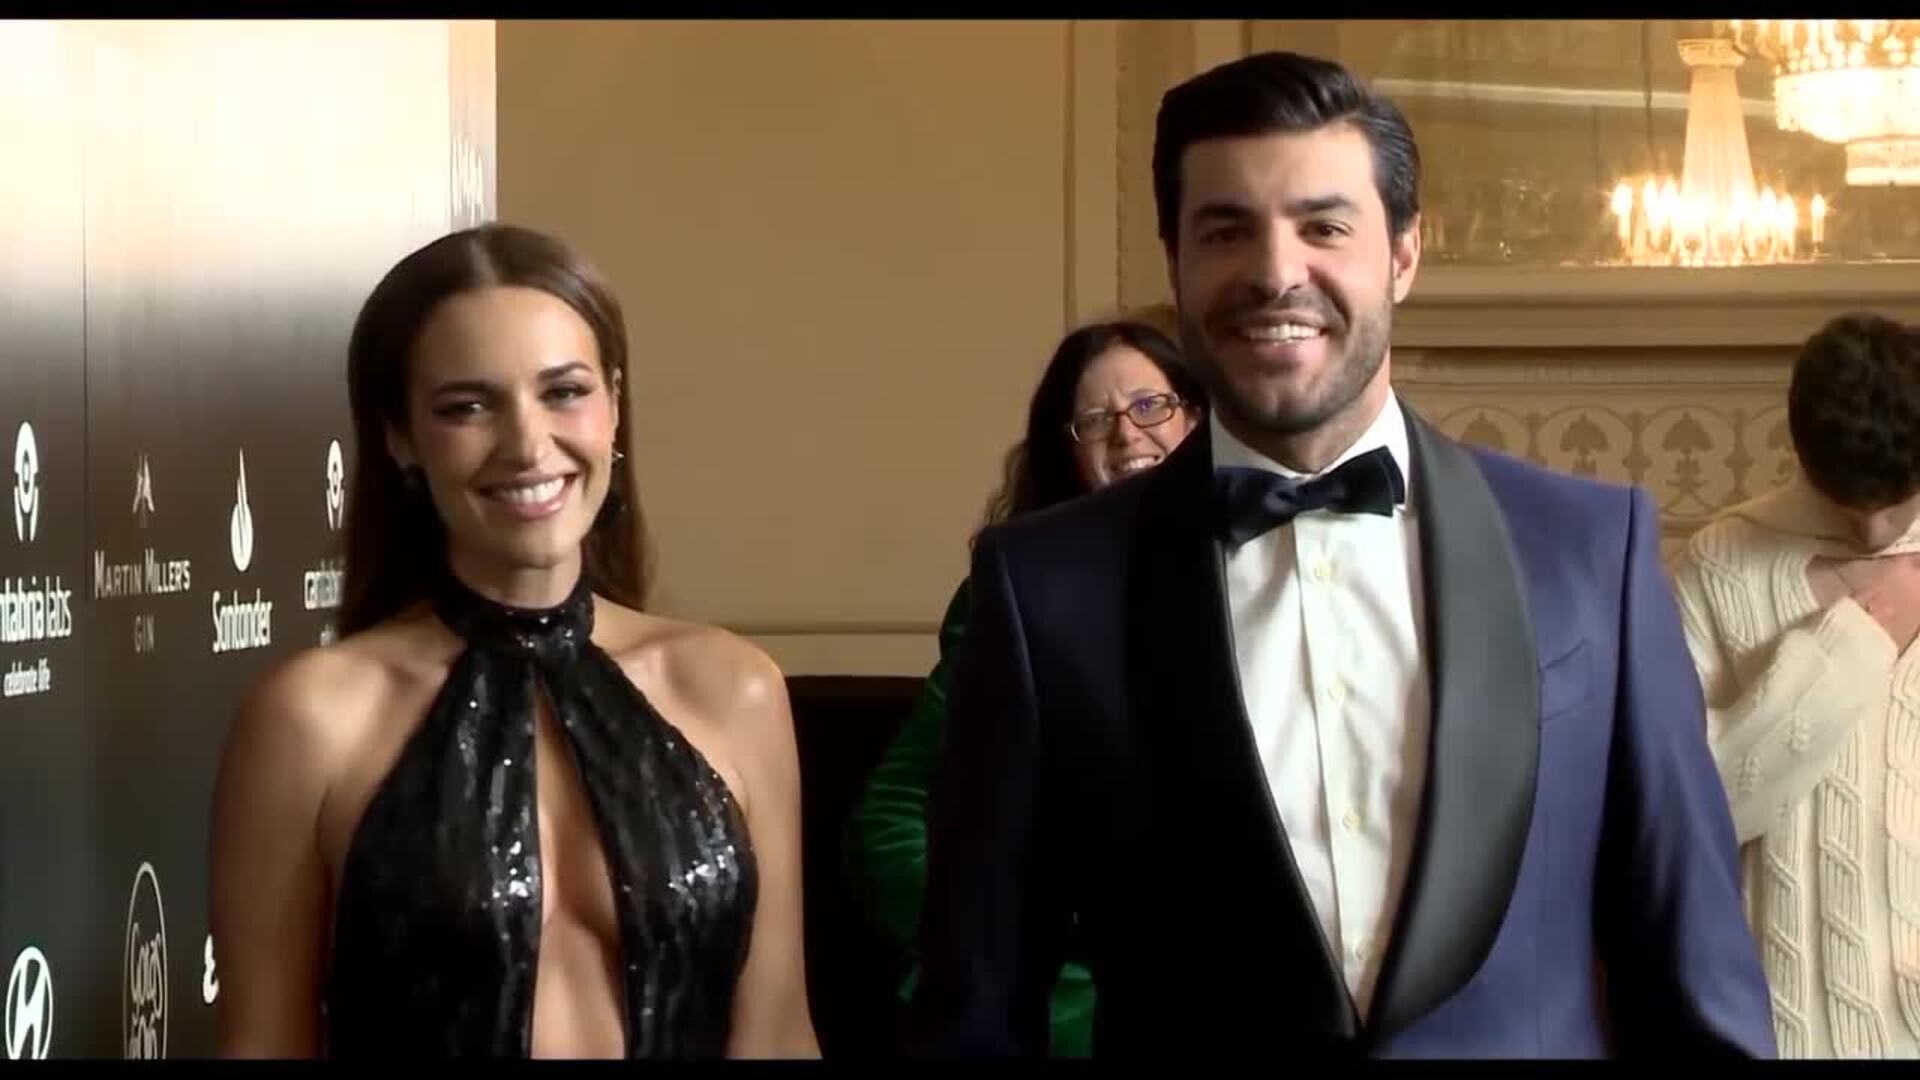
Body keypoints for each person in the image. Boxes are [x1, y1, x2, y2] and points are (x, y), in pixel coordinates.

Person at [908, 50, 1775, 1057]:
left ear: (1403, 253)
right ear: (1174, 260)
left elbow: (1695, 982)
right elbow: (977, 1010)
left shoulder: (1592, 550)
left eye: (1324, 227)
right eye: (1227, 231)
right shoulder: (1045, 588)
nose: (1276, 273)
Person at [208, 223, 818, 1058]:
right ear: (399, 436)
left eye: (564, 392)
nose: (528, 445)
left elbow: (777, 1032)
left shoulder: (734, 689)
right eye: (468, 406)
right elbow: (263, 1043)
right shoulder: (312, 719)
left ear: (614, 405)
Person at [847, 319, 1205, 1056]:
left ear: (1196, 420)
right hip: (1070, 1018)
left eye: (1150, 406)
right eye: (1095, 419)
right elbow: (887, 820)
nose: (1126, 434)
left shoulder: (1273, 576)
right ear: (1067, 450)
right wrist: (1007, 943)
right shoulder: (1023, 599)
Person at [1671, 312, 1920, 1059]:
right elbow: (1689, 812)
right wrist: (1850, 650)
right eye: (1850, 503)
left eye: (1900, 500)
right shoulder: (1720, 562)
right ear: (1804, 457)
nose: (1876, 532)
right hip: (1773, 1023)